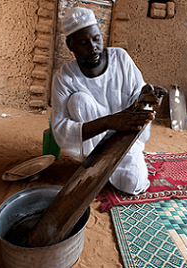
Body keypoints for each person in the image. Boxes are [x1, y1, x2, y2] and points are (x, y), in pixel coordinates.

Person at [51, 7, 166, 195]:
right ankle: (94, 162)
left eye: (96, 39)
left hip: (124, 137)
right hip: (94, 142)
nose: (93, 47)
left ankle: (118, 163)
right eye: (83, 43)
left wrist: (146, 96)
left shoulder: (120, 59)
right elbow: (60, 129)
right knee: (78, 101)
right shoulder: (65, 78)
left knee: (133, 185)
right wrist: (108, 122)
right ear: (69, 44)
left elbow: (139, 94)